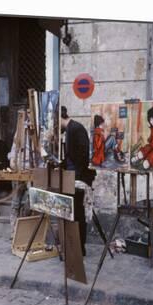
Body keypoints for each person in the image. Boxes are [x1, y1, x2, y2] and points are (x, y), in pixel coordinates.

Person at [60, 106, 96, 255]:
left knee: (78, 214)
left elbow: (83, 155)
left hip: (78, 179)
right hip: (71, 177)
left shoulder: (76, 128)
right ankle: (74, 246)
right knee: (71, 213)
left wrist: (77, 176)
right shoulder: (69, 130)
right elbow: (69, 156)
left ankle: (80, 248)